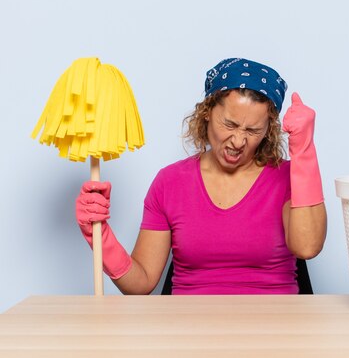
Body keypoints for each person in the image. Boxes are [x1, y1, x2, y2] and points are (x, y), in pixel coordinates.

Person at [75, 58, 327, 295]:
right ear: (207, 112)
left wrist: (303, 153)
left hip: (276, 331)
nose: (238, 141)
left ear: (268, 130)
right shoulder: (170, 183)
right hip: (189, 332)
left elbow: (307, 247)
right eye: (229, 124)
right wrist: (100, 236)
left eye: (253, 130)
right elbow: (140, 284)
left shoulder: (286, 178)